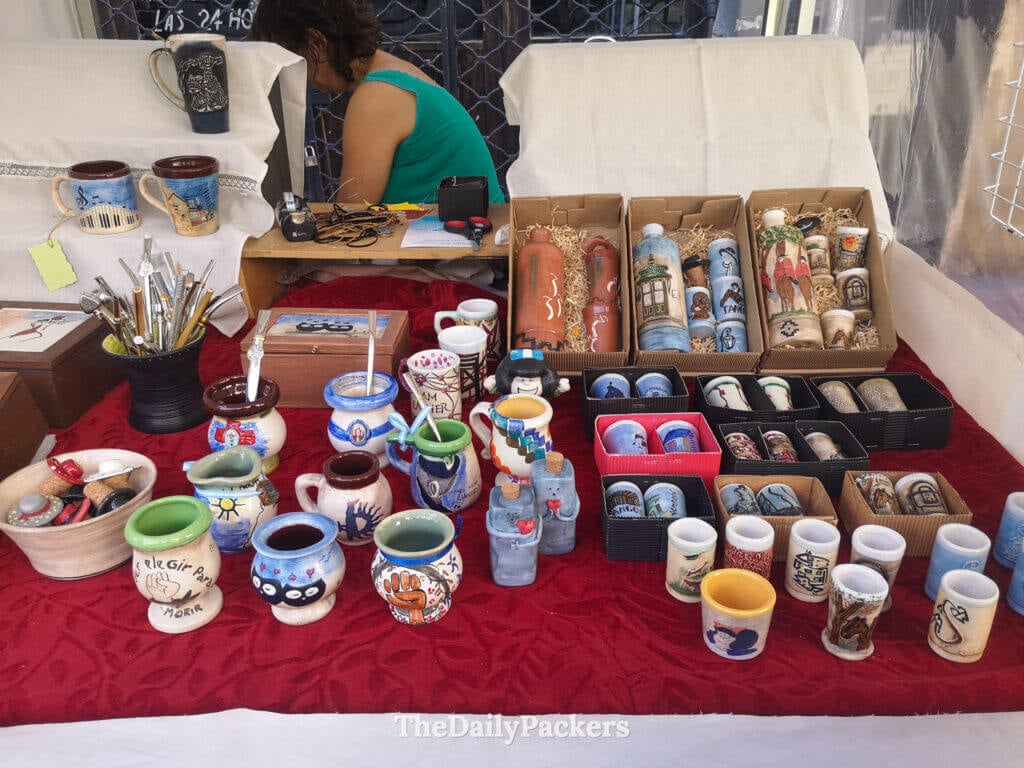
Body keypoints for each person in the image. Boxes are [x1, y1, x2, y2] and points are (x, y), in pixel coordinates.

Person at [252, 0, 504, 207]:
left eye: (293, 60)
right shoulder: (394, 74)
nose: (297, 76)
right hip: (463, 244)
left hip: (461, 256)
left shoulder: (376, 96)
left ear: (317, 43)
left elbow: (351, 215)